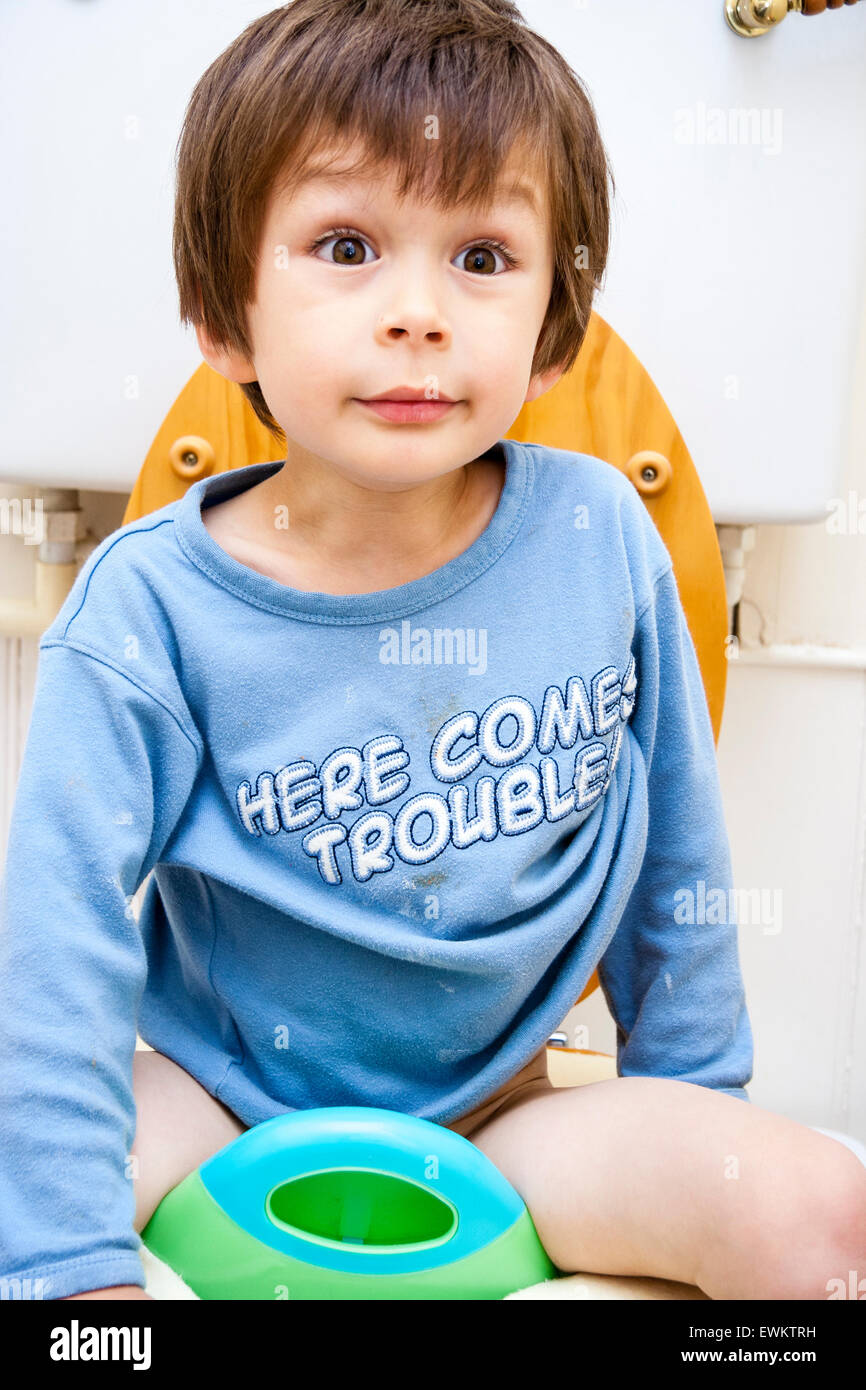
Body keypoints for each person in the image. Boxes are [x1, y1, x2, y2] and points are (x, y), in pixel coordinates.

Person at [1, 0, 863, 1303]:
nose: (416, 312)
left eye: (480, 255)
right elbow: (56, 954)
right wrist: (77, 1282)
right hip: (216, 1091)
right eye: (345, 246)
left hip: (512, 1107)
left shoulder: (600, 540)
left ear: (554, 320)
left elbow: (673, 855)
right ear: (223, 315)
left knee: (820, 1216)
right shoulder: (149, 607)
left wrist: (697, 1130)